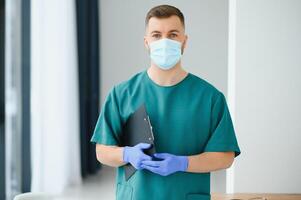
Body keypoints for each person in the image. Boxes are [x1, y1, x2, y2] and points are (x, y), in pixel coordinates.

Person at [90, 4, 241, 200]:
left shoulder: (210, 97)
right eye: (156, 35)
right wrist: (127, 155)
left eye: (173, 35)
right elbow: (102, 152)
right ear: (146, 42)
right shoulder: (122, 94)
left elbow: (225, 157)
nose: (164, 41)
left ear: (184, 42)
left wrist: (183, 163)